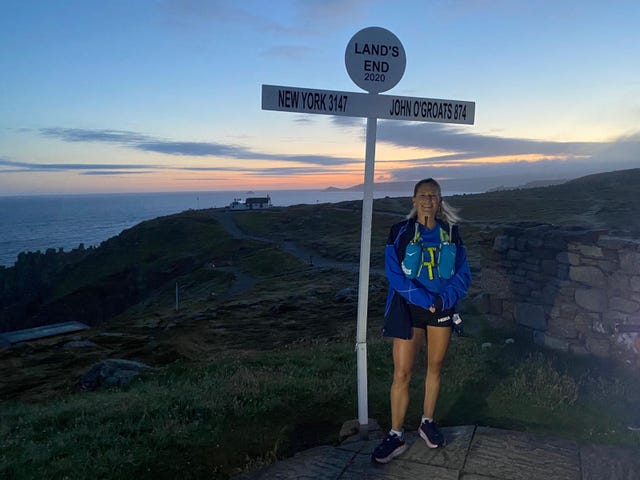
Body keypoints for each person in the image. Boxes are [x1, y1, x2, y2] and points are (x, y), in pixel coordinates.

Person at [372, 178, 471, 464]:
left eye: (434, 195)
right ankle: (395, 435)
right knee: (402, 372)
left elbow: (463, 274)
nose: (428, 199)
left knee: (435, 367)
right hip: (409, 308)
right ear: (413, 201)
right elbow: (394, 274)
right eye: (423, 195)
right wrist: (423, 299)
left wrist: (442, 300)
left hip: (440, 306)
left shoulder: (451, 232)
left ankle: (427, 422)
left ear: (440, 201)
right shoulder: (400, 231)